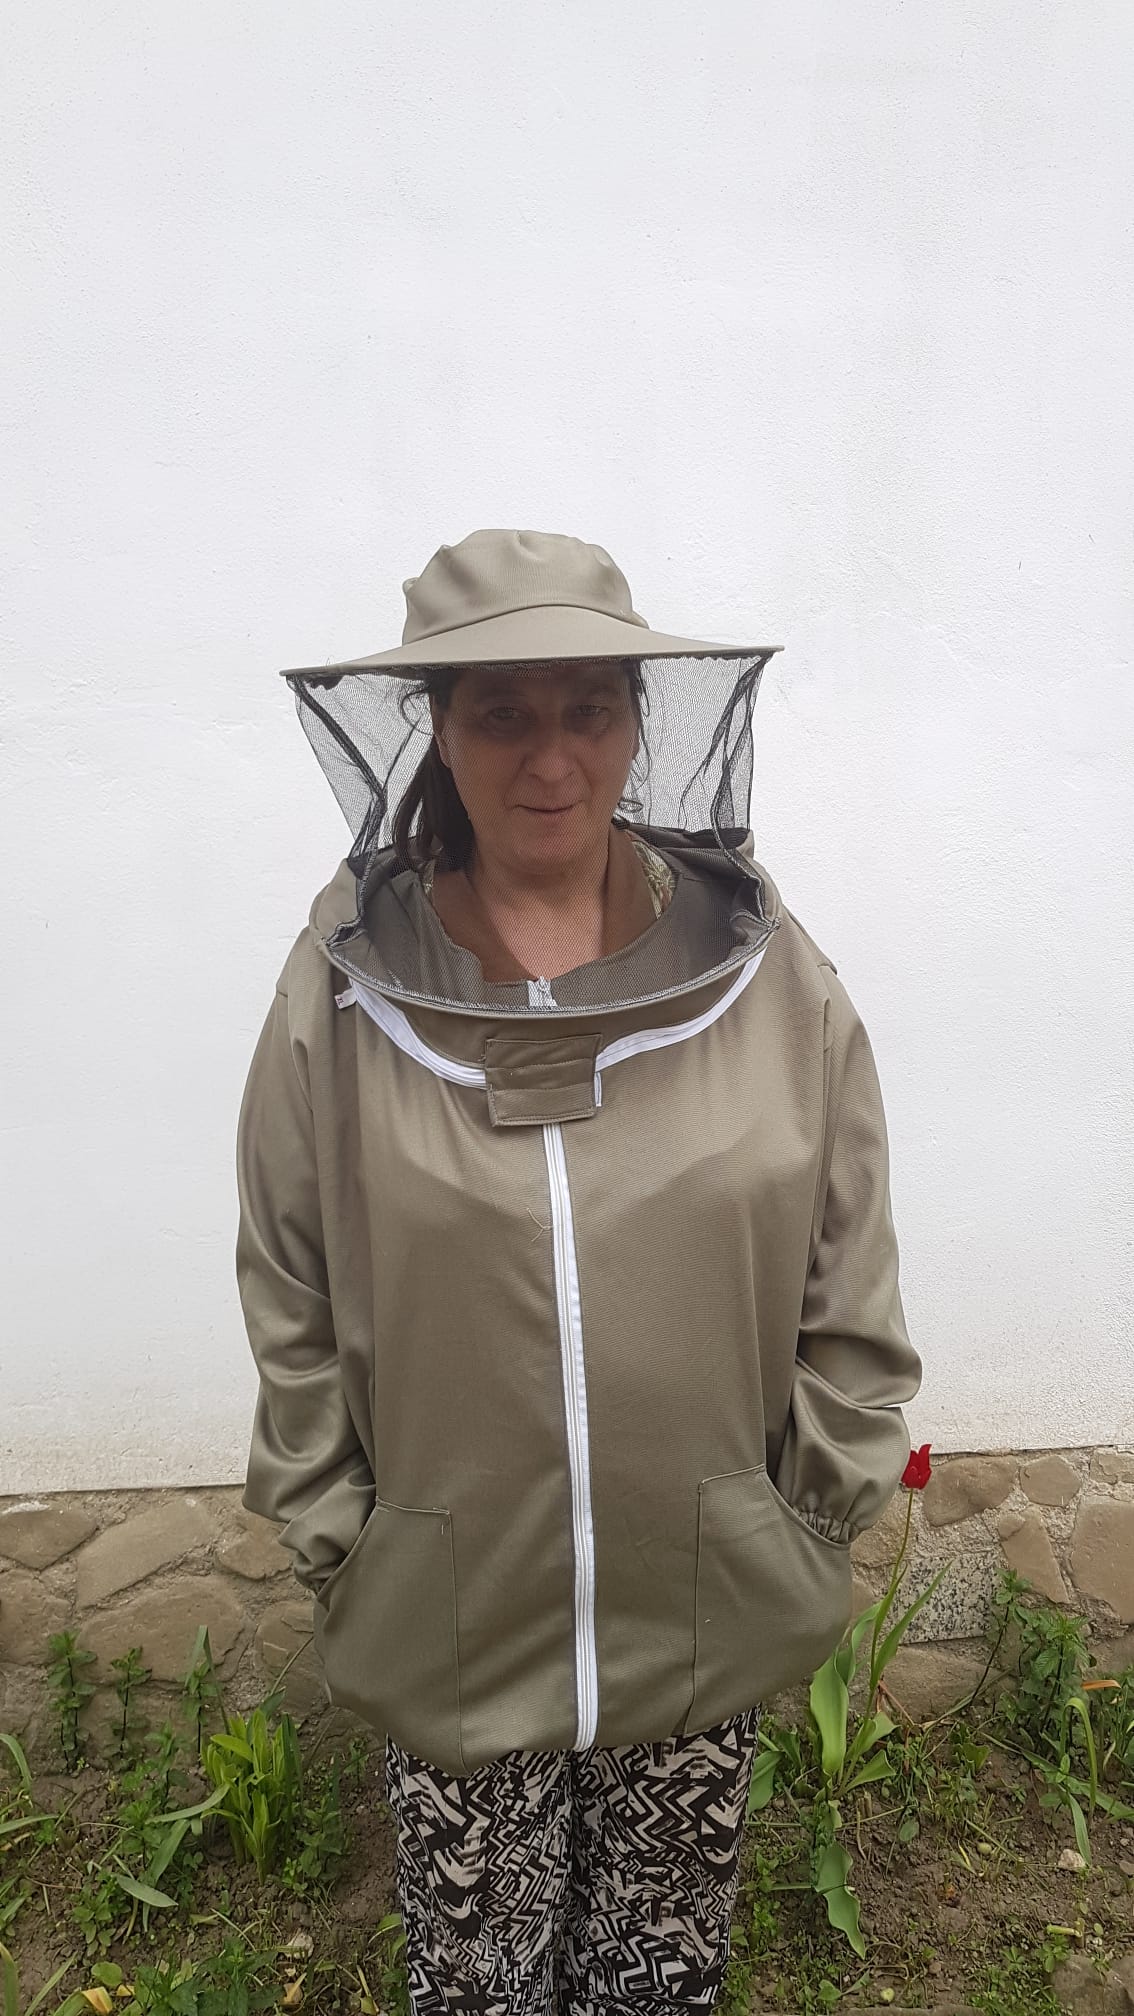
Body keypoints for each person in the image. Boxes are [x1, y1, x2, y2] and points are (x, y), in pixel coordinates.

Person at [235, 528, 922, 2014]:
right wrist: (346, 1536)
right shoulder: (340, 993)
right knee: (478, 1984)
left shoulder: (766, 973)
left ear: (635, 723)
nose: (551, 758)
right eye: (502, 714)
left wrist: (806, 1508)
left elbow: (847, 1244)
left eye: (587, 710)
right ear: (437, 731)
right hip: (453, 1614)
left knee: (658, 1980)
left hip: (707, 1595)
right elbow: (290, 1279)